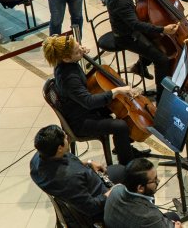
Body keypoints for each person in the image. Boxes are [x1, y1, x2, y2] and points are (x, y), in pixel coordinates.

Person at [42, 35, 148, 163]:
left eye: (79, 45)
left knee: (122, 110)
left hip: (80, 108)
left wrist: (79, 53)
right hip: (80, 120)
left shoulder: (63, 62)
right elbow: (89, 102)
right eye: (77, 51)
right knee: (121, 126)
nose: (81, 49)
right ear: (66, 58)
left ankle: (123, 146)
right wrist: (117, 90)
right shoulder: (69, 78)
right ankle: (127, 164)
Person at [29, 125, 125, 225]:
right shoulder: (70, 178)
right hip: (99, 204)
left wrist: (88, 163)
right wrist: (112, 192)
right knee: (130, 178)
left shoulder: (37, 159)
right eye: (64, 137)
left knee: (121, 170)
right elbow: (92, 208)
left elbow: (70, 165)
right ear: (60, 148)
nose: (66, 136)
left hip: (84, 185)